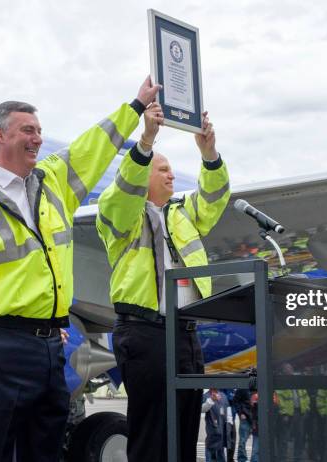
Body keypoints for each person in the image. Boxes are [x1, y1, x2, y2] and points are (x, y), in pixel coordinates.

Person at [0, 78, 158, 461]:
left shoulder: (51, 184)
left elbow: (91, 148)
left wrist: (134, 106)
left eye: (40, 131)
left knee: (45, 450)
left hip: (49, 344)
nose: (38, 139)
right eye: (28, 130)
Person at [96, 104, 229, 462]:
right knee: (153, 432)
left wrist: (209, 154)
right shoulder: (121, 214)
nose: (172, 176)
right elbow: (122, 189)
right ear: (144, 175)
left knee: (185, 429)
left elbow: (215, 199)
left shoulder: (183, 214)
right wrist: (146, 140)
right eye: (164, 169)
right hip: (145, 332)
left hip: (185, 333)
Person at [202, 389, 233, 462]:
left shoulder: (223, 395)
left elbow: (228, 409)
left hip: (222, 429)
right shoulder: (206, 396)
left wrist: (230, 422)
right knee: (210, 449)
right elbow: (202, 409)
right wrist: (211, 400)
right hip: (212, 429)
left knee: (221, 451)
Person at [234, 387, 259, 462]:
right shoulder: (243, 387)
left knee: (256, 444)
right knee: (242, 441)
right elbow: (235, 401)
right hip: (246, 417)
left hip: (256, 418)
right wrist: (240, 413)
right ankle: (242, 459)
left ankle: (254, 460)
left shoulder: (259, 385)